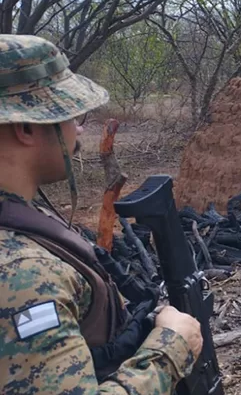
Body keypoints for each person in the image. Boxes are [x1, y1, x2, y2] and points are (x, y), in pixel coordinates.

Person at [0, 34, 203, 394]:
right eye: (69, 114)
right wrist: (170, 350)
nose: (78, 128)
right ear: (27, 127)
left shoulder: (21, 220)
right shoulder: (23, 272)